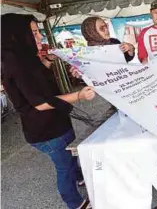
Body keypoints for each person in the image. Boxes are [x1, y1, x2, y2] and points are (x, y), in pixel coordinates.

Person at [1, 13, 95, 209]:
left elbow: (37, 76)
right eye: (34, 32)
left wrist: (49, 60)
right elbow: (41, 103)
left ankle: (79, 177)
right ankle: (75, 202)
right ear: (17, 34)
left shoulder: (24, 56)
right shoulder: (16, 63)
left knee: (70, 156)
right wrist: (79, 95)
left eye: (38, 32)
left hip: (56, 122)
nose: (39, 37)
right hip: (46, 130)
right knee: (64, 167)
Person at [70, 16, 135, 78]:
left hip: (123, 80)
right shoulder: (87, 54)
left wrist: (130, 48)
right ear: (92, 32)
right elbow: (91, 78)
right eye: (102, 28)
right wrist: (81, 75)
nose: (106, 29)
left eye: (106, 26)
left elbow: (126, 59)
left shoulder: (114, 42)